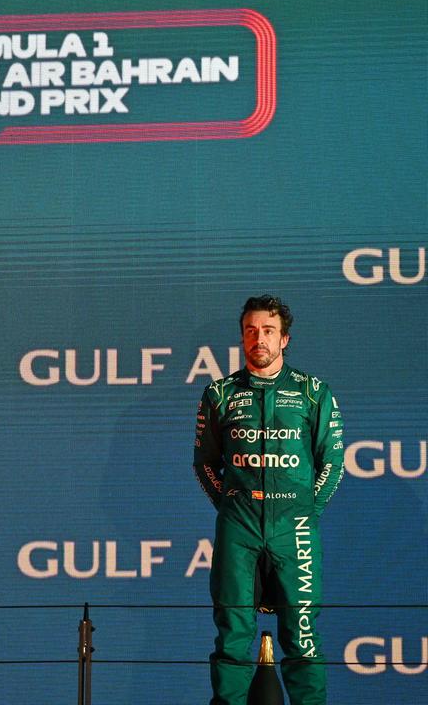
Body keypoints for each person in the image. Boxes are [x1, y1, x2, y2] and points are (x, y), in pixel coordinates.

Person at [193, 295, 343, 705]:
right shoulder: (219, 394)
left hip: (295, 528)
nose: (259, 338)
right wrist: (230, 505)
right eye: (251, 330)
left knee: (303, 636)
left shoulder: (314, 393)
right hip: (238, 527)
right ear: (243, 337)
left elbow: (332, 462)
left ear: (285, 339)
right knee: (232, 631)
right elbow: (204, 462)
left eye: (269, 331)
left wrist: (304, 512)